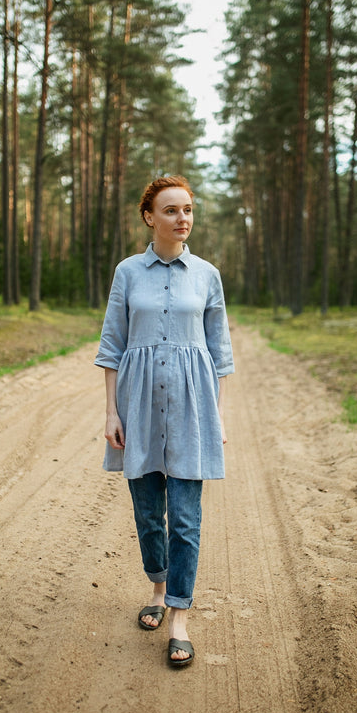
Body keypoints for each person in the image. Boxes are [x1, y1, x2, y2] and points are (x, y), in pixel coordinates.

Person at [94, 175, 234, 668]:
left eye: (188, 210)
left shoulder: (208, 275)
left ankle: (179, 615)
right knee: (149, 512)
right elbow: (112, 345)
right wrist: (111, 411)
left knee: (187, 519)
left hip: (193, 409)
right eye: (171, 210)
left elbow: (219, 353)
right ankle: (157, 586)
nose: (183, 219)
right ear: (150, 217)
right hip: (138, 408)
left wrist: (216, 414)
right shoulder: (128, 272)